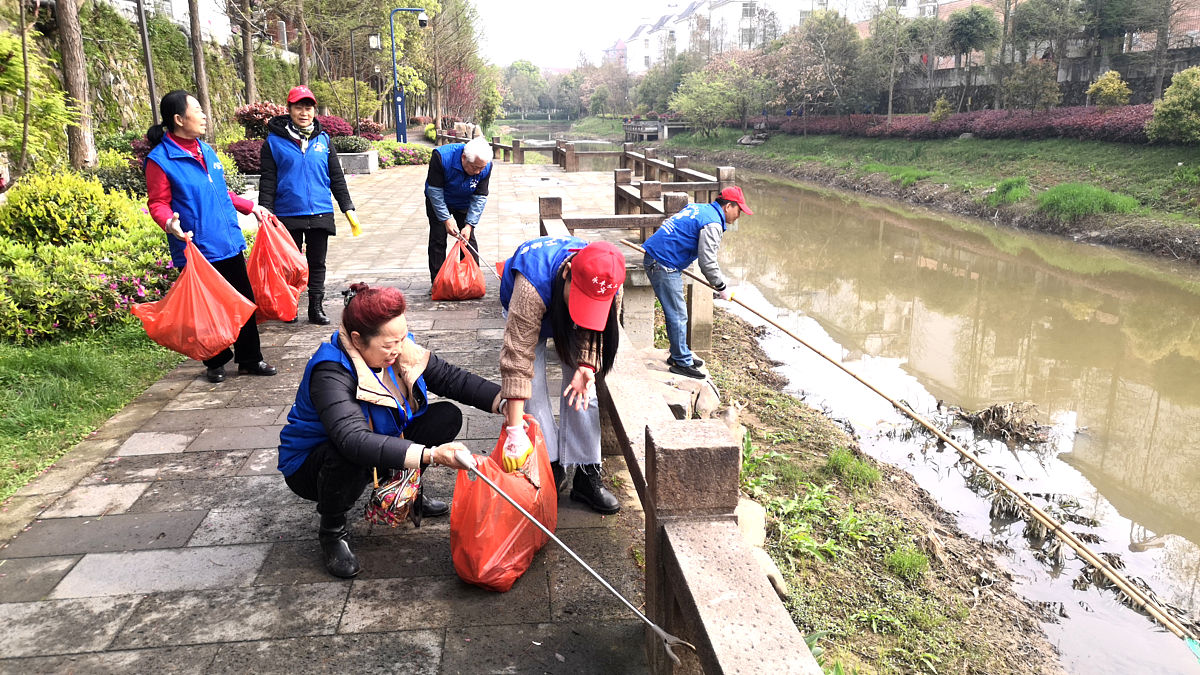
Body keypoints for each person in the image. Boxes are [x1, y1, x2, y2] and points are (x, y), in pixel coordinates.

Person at [277, 283, 503, 578]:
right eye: (388, 345)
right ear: (357, 340)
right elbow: (354, 440)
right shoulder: (330, 371)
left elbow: (450, 378)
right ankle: (332, 531)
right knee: (346, 453)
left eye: (401, 339)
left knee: (445, 416)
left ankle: (406, 495)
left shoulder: (399, 348)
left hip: (379, 441)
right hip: (314, 465)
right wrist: (431, 455)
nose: (398, 349)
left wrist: (505, 401)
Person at [144, 89, 277, 384]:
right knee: (205, 309)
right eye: (197, 110)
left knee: (243, 300)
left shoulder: (206, 150)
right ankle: (215, 360)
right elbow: (158, 203)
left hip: (227, 240)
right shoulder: (160, 160)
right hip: (196, 245)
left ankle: (250, 359)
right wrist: (169, 224)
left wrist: (251, 207)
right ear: (179, 119)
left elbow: (221, 192)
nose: (204, 115)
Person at [498, 237, 625, 514]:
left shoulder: (610, 281)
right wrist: (515, 432)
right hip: (530, 305)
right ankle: (551, 464)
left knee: (584, 391)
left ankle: (586, 472)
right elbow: (517, 359)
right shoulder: (531, 284)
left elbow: (597, 333)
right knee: (532, 390)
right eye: (580, 296)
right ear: (568, 273)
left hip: (569, 314)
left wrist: (586, 367)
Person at [258, 85, 357, 325]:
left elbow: (336, 177)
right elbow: (268, 180)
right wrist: (264, 210)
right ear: (289, 109)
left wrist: (347, 207)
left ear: (314, 110)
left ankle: (316, 308)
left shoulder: (323, 140)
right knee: (291, 265)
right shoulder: (273, 143)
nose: (304, 113)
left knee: (317, 262)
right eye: (299, 107)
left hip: (320, 211)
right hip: (287, 212)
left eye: (309, 108)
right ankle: (290, 307)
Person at [641, 186, 753, 380]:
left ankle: (680, 354)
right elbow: (707, 262)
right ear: (728, 206)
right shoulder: (713, 223)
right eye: (739, 210)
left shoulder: (700, 208)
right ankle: (681, 362)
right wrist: (721, 287)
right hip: (663, 262)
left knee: (677, 312)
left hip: (660, 257)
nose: (739, 215)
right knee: (677, 314)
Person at [424, 136, 493, 284]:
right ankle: (438, 282)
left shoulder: (485, 166)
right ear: (463, 158)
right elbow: (434, 191)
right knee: (438, 237)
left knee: (468, 237)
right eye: (475, 167)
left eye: (482, 168)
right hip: (439, 197)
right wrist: (446, 219)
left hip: (464, 200)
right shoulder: (442, 157)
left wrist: (469, 225)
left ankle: (471, 281)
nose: (478, 172)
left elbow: (480, 196)